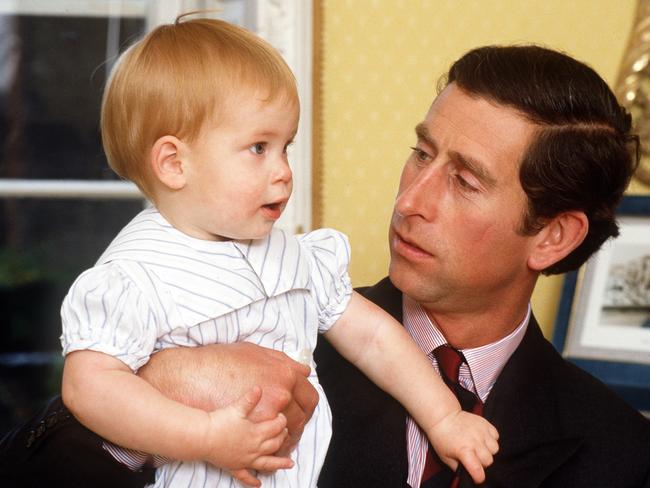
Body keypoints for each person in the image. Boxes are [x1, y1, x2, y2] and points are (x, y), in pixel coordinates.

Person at [2, 43, 650, 487]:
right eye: (421, 154)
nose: (411, 201)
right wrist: (167, 379)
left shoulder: (621, 452)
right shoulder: (278, 326)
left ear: (553, 238)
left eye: (466, 181)